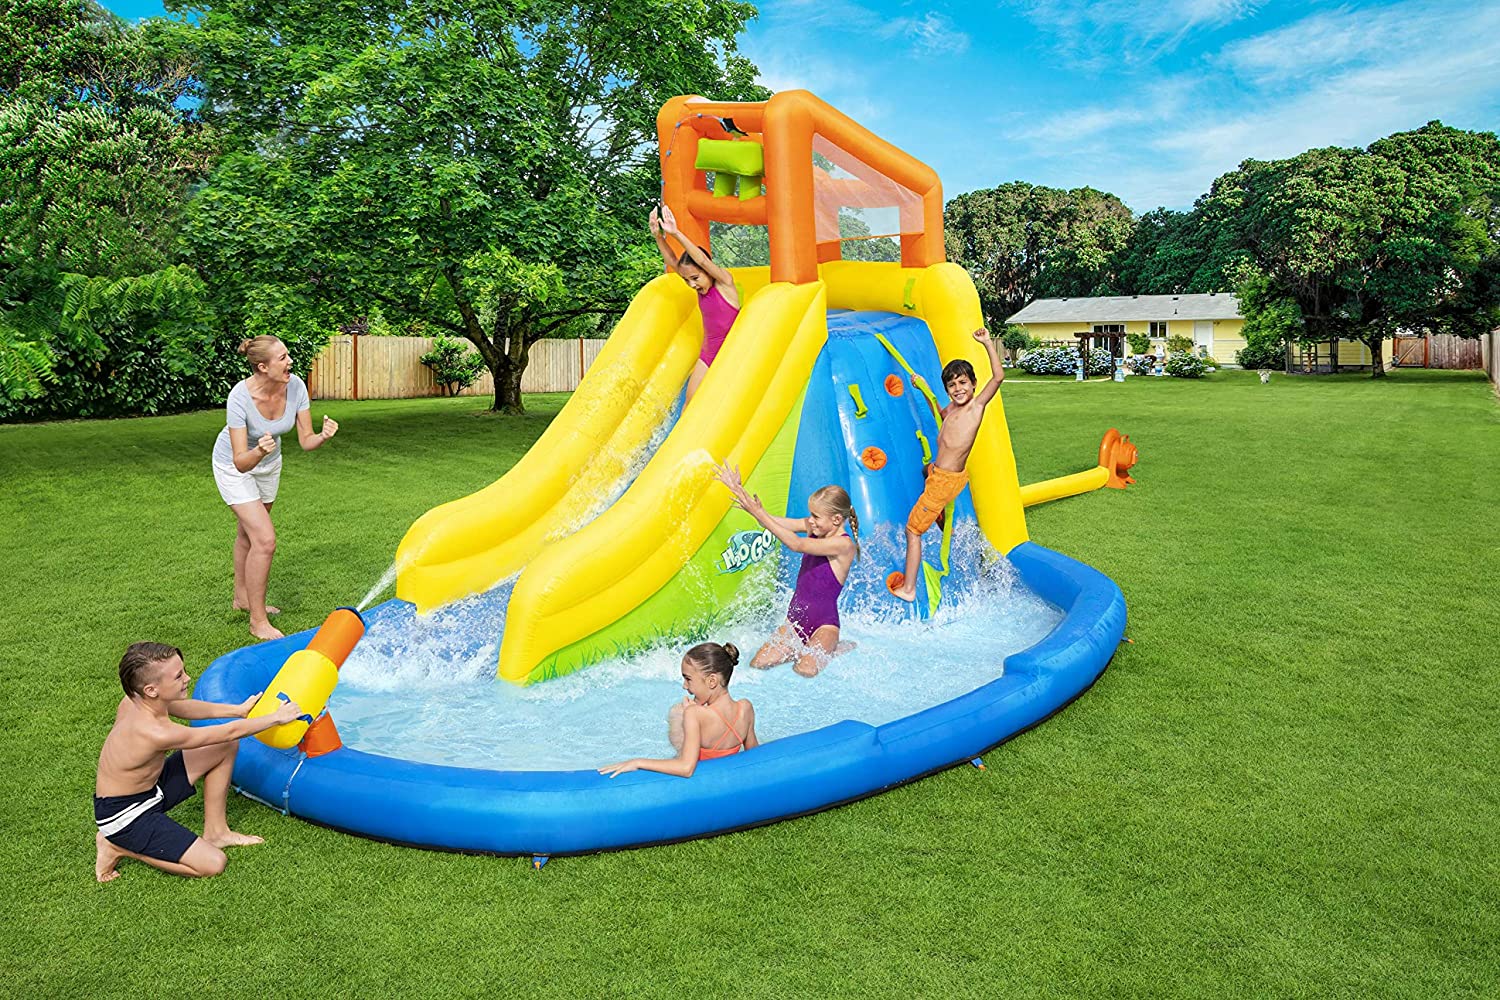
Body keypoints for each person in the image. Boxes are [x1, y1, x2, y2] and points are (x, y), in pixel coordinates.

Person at [94, 642, 302, 882]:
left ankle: (217, 832)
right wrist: (276, 718)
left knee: (223, 748)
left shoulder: (135, 700)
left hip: (149, 790)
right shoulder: (156, 732)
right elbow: (228, 732)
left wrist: (237, 710)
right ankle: (116, 846)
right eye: (178, 676)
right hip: (126, 815)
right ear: (151, 690)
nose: (187, 678)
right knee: (213, 864)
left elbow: (182, 707)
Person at [212, 335, 339, 640]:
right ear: (262, 367)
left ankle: (242, 598)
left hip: (270, 464)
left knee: (248, 534)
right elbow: (241, 461)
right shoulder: (239, 397)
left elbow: (306, 441)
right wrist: (258, 451)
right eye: (282, 358)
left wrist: (322, 436)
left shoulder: (295, 386)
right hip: (235, 465)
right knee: (265, 540)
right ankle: (257, 621)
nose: (290, 361)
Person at [892, 328, 1005, 603]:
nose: (958, 389)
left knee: (912, 530)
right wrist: (924, 388)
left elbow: (998, 377)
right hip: (938, 473)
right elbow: (938, 413)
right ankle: (941, 518)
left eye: (963, 383)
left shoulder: (975, 408)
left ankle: (909, 589)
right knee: (925, 470)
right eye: (952, 386)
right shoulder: (952, 410)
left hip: (945, 480)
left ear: (974, 384)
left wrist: (987, 343)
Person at [715, 466, 859, 678]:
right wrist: (740, 491)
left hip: (824, 625)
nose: (810, 520)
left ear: (836, 519)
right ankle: (805, 649)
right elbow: (770, 522)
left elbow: (796, 544)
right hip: (795, 622)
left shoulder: (843, 545)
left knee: (804, 670)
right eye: (810, 515)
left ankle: (833, 648)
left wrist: (758, 513)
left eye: (816, 516)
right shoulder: (814, 528)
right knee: (758, 664)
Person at [598, 642, 758, 778]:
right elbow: (756, 758)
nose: (684, 686)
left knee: (676, 713)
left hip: (699, 782)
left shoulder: (694, 713)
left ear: (712, 681)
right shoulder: (745, 708)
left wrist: (637, 762)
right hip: (725, 779)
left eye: (688, 679)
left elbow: (686, 768)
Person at [649, 204, 741, 401]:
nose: (692, 284)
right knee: (689, 405)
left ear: (707, 271)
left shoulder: (725, 283)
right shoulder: (700, 287)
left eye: (695, 278)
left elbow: (703, 261)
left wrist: (676, 233)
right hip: (707, 356)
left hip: (732, 353)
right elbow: (672, 260)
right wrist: (658, 237)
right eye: (686, 280)